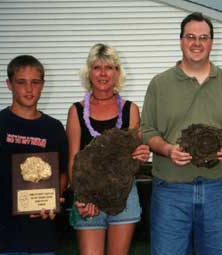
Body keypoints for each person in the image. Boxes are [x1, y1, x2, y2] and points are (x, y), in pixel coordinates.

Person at [141, 12, 222, 255]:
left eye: (204, 37)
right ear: (181, 40)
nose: (197, 43)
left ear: (212, 42)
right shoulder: (160, 84)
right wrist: (168, 149)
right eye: (190, 36)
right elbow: (147, 131)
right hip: (171, 191)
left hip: (219, 191)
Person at [0, 55, 69, 255]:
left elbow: (63, 174)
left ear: (43, 85)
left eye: (35, 82)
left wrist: (53, 198)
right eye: (21, 82)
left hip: (42, 239)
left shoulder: (54, 128)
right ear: (9, 84)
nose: (29, 89)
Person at [66, 43, 150, 255]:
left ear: (117, 72)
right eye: (97, 67)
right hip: (88, 198)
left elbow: (133, 161)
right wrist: (82, 197)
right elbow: (73, 160)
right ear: (89, 72)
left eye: (109, 67)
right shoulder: (76, 111)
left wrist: (141, 155)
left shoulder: (131, 110)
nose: (103, 74)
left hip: (124, 195)